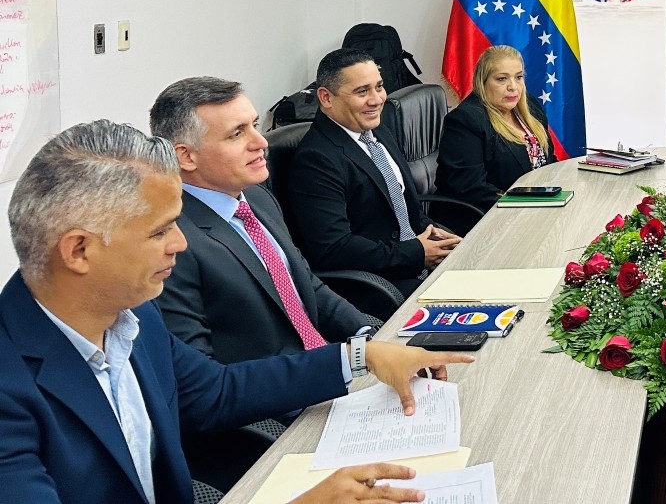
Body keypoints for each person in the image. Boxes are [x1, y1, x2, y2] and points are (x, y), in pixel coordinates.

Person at [0, 119, 472, 503]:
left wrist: (360, 355)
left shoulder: (131, 318)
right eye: (160, 231)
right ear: (79, 251)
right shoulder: (9, 391)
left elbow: (216, 391)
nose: (181, 243)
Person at [149, 77, 373, 364]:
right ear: (186, 156)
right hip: (283, 388)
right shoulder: (172, 242)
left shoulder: (257, 197)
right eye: (236, 134)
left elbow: (304, 284)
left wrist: (367, 335)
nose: (261, 142)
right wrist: (343, 363)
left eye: (254, 125)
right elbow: (202, 372)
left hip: (326, 361)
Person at [289, 49, 460, 307]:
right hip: (378, 284)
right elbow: (334, 248)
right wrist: (416, 253)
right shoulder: (316, 159)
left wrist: (437, 236)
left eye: (379, 87)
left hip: (414, 263)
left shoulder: (377, 131)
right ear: (326, 97)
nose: (377, 99)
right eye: (362, 91)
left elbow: (405, 208)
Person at [435, 45, 558, 232]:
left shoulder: (529, 107)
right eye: (502, 79)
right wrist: (529, 203)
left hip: (532, 207)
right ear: (482, 82)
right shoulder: (466, 120)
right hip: (485, 218)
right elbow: (469, 188)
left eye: (518, 77)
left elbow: (549, 161)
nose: (513, 87)